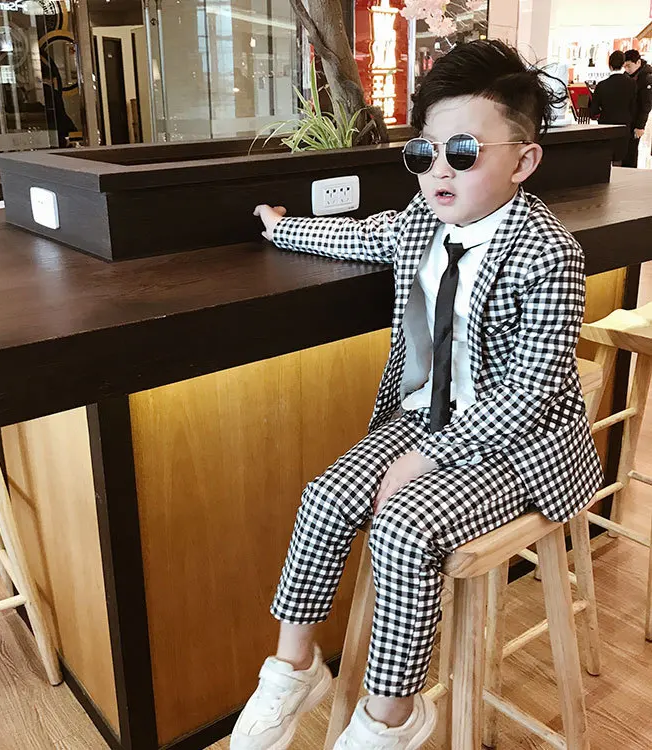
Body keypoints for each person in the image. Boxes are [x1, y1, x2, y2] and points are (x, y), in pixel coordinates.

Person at [237, 39, 603, 750]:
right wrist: (283, 229)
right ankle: (294, 669)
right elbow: (362, 238)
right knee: (324, 496)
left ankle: (392, 716)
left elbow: (528, 396)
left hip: (517, 445)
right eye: (424, 151)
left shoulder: (550, 253)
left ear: (523, 160)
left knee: (404, 528)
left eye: (463, 152)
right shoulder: (420, 220)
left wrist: (429, 457)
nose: (439, 169)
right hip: (422, 417)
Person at [590, 50, 637, 164]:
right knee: (619, 159)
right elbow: (634, 107)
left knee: (605, 158)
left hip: (606, 126)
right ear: (623, 64)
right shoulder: (632, 83)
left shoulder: (602, 85)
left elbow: (593, 111)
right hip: (624, 126)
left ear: (609, 65)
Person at [622, 49, 652, 167]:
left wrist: (640, 126)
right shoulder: (628, 75)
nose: (626, 69)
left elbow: (646, 105)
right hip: (626, 120)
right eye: (625, 66)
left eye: (629, 66)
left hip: (636, 122)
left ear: (638, 62)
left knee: (631, 154)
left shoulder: (646, 78)